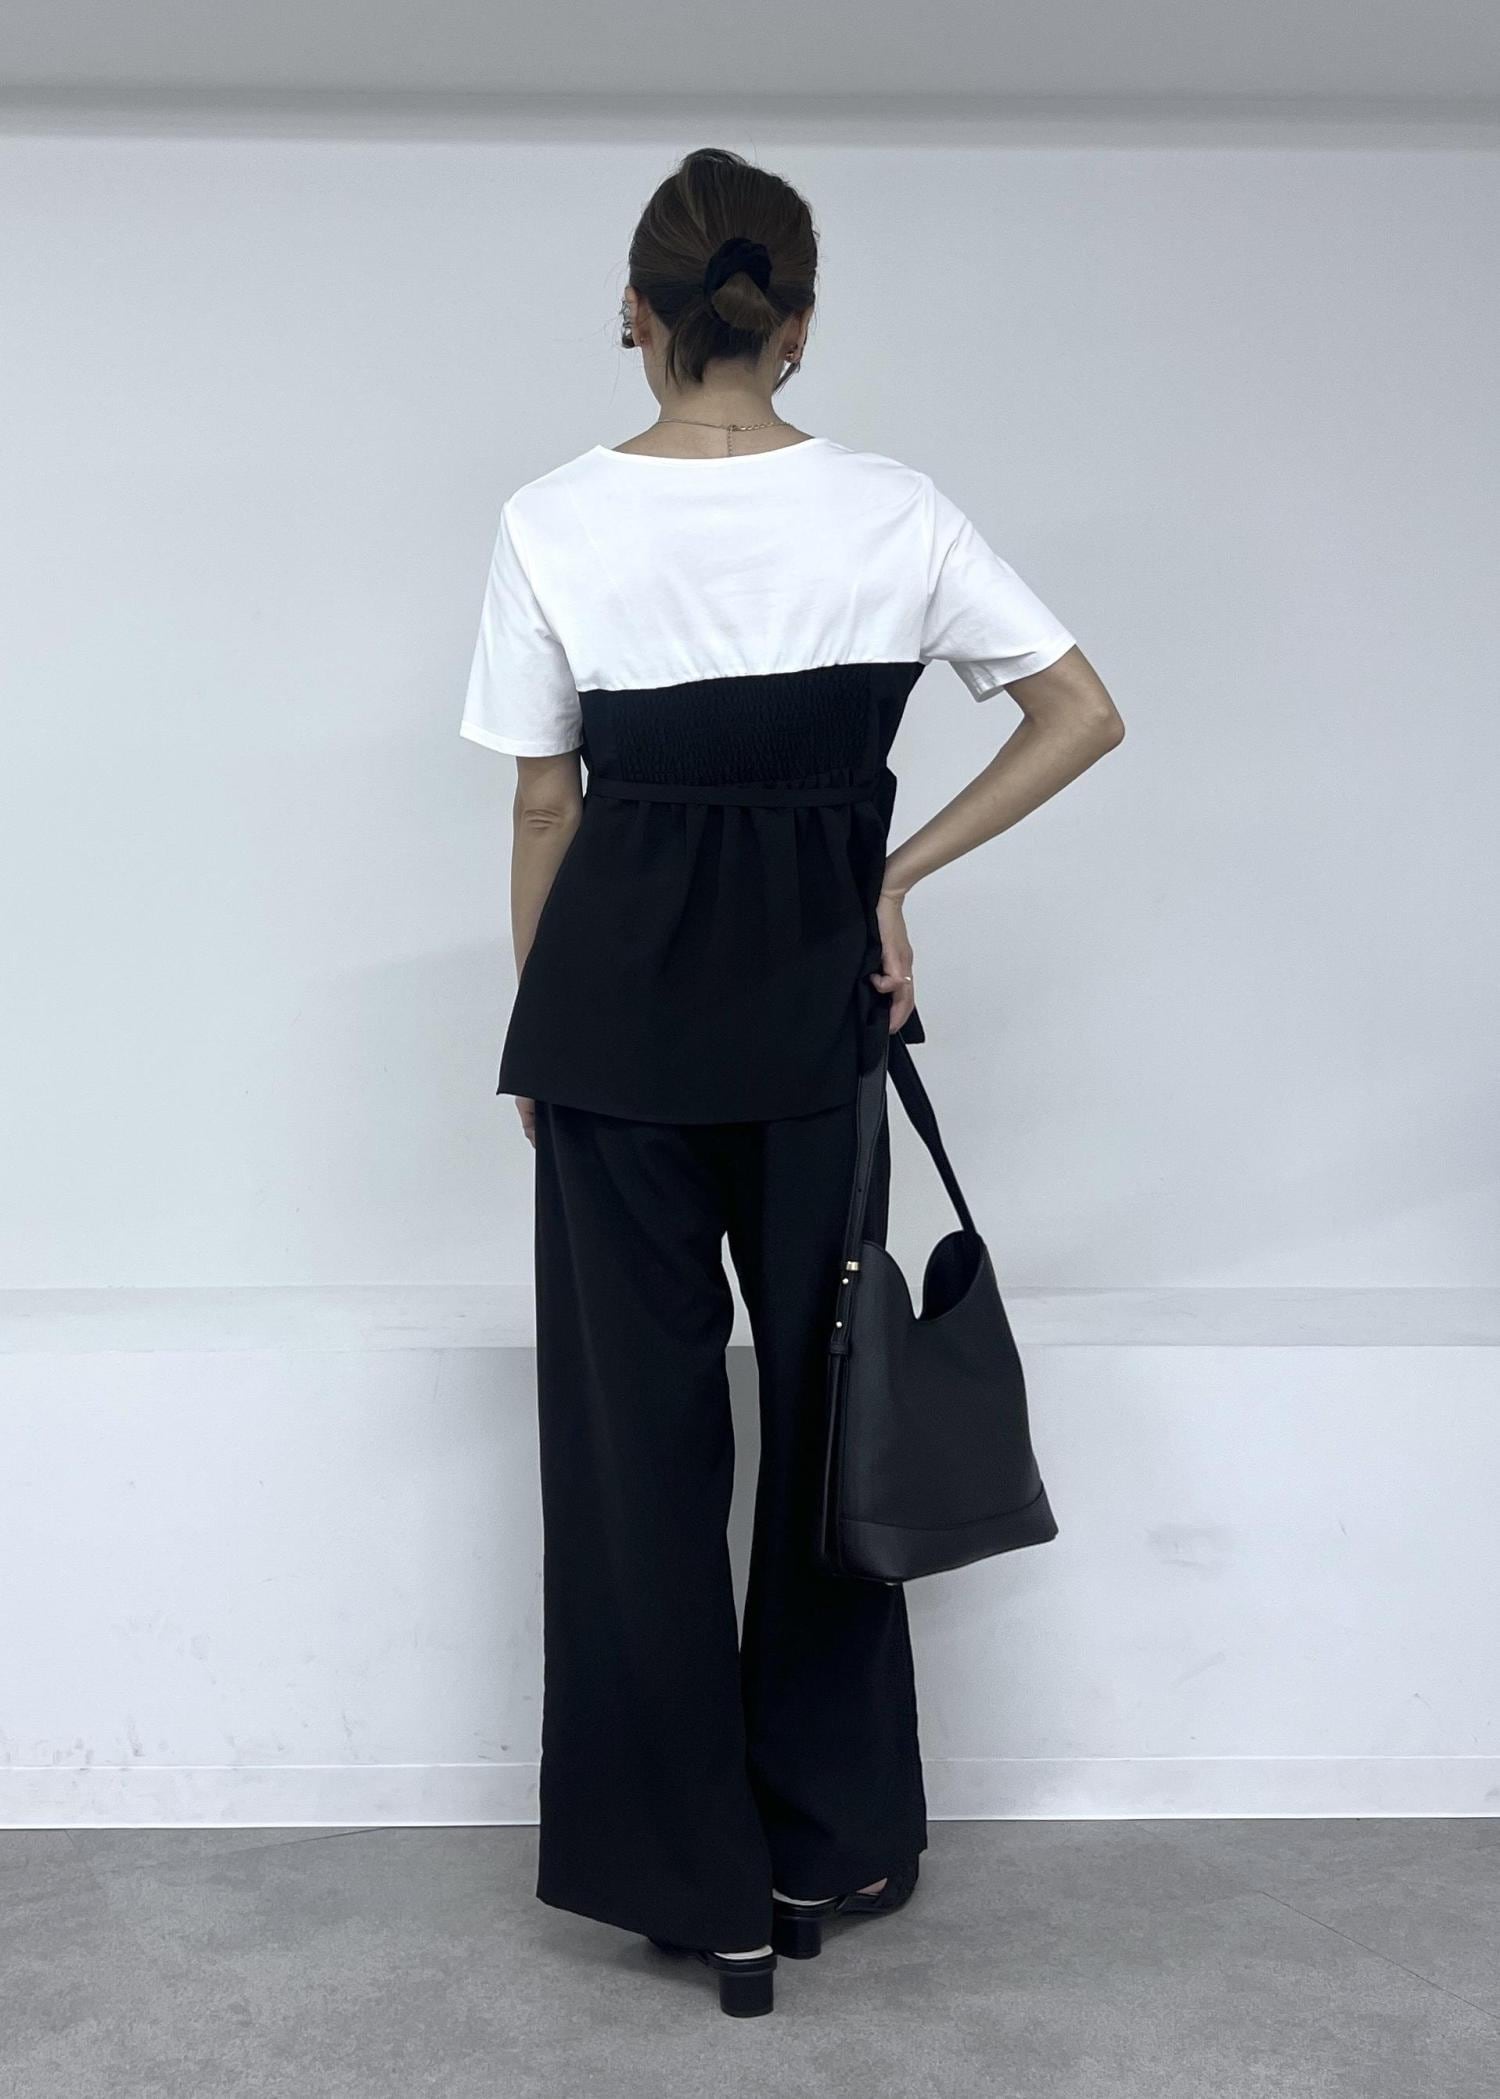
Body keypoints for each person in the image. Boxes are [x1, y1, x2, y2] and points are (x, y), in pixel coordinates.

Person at [460, 146, 1123, 2018]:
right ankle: (821, 1845)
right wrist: (893, 878)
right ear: (799, 324)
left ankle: (701, 1889)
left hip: (613, 1032)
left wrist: (547, 1025)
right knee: (833, 1427)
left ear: (637, 315)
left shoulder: (551, 519)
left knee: (638, 1456)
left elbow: (544, 806)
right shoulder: (896, 511)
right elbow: (1080, 709)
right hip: (816, 1026)